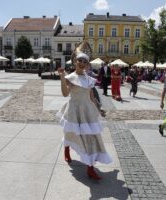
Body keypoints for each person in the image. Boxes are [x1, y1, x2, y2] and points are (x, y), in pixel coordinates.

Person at [57, 41, 112, 180]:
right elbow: (64, 94)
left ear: (88, 64)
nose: (82, 63)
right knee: (70, 133)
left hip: (87, 111)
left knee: (90, 138)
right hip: (74, 110)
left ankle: (90, 168)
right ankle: (67, 149)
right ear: (75, 61)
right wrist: (62, 78)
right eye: (80, 60)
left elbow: (91, 96)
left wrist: (99, 109)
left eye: (85, 61)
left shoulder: (89, 79)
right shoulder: (70, 78)